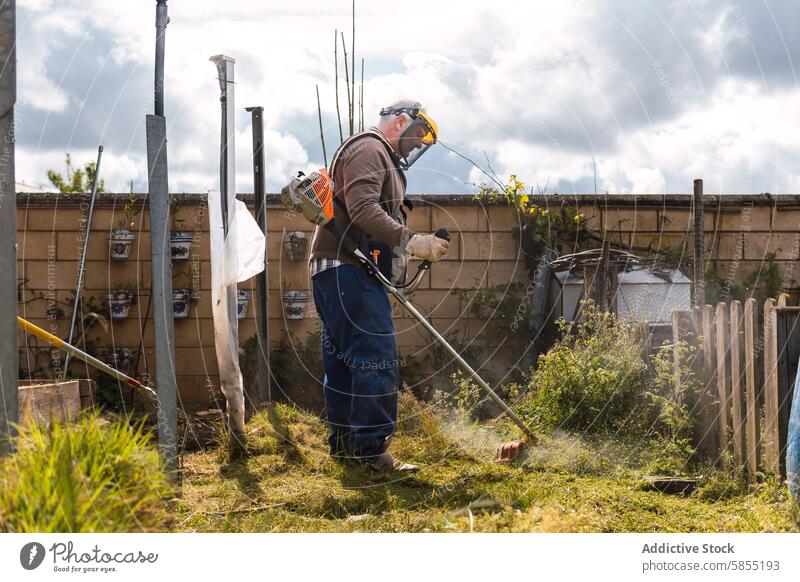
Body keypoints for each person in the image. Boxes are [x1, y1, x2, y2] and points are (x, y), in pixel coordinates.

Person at [308, 99, 448, 472]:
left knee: (345, 360)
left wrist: (403, 254)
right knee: (374, 356)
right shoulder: (370, 148)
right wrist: (412, 240)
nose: (417, 146)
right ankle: (370, 451)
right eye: (417, 138)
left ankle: (347, 449)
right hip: (346, 268)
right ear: (402, 121)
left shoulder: (374, 154)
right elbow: (364, 209)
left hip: (337, 268)